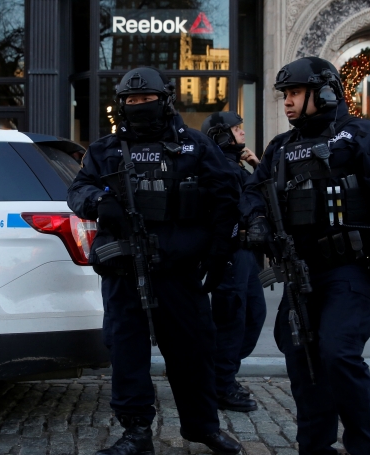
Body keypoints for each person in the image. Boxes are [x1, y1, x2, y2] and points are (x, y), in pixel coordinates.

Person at [244, 57, 370, 455]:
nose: (287, 103)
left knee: (338, 353)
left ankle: (363, 447)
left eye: (294, 93)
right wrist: (255, 220)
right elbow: (253, 192)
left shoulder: (364, 136)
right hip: (298, 271)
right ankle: (314, 445)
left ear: (324, 92)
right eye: (285, 95)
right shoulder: (281, 148)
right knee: (302, 360)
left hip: (349, 269)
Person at [68, 67, 243, 455]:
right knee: (127, 353)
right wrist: (99, 203)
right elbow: (78, 189)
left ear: (164, 101)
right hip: (123, 269)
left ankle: (202, 427)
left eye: (145, 100)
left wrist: (220, 253)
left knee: (193, 352)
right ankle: (136, 433)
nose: (138, 107)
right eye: (131, 102)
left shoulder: (195, 146)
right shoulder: (104, 150)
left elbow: (226, 198)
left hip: (179, 271)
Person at [200, 112, 267, 413]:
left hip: (246, 255)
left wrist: (256, 165)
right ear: (220, 135)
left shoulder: (236, 166)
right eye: (236, 129)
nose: (242, 133)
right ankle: (221, 385)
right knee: (232, 320)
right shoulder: (218, 168)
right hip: (230, 254)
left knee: (252, 317)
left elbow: (265, 198)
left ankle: (220, 377)